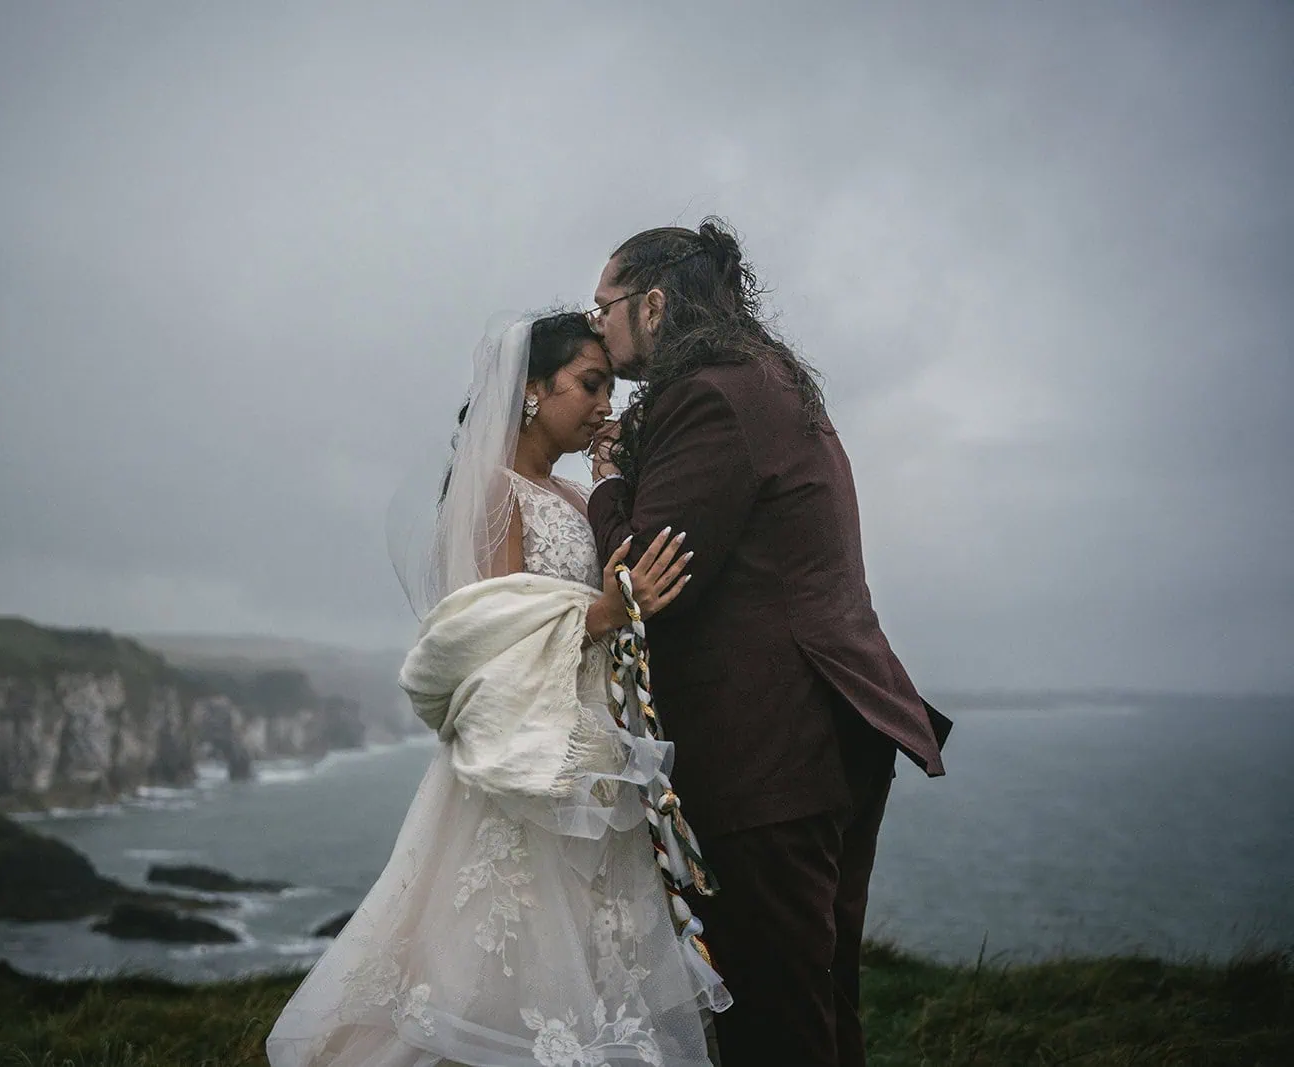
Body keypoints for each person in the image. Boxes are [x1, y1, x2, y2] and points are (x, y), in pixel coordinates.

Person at [266, 311, 730, 1067]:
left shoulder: (579, 500)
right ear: (530, 392)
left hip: (590, 744)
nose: (604, 404)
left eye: (608, 387)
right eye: (589, 384)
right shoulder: (492, 493)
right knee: (501, 945)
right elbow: (489, 639)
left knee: (593, 943)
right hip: (521, 752)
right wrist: (607, 610)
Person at [584, 220, 953, 1067]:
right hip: (830, 732)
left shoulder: (709, 393)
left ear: (653, 302)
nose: (596, 324)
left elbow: (644, 583)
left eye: (601, 305)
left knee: (774, 1017)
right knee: (818, 998)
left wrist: (605, 481)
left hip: (769, 751)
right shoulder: (768, 379)